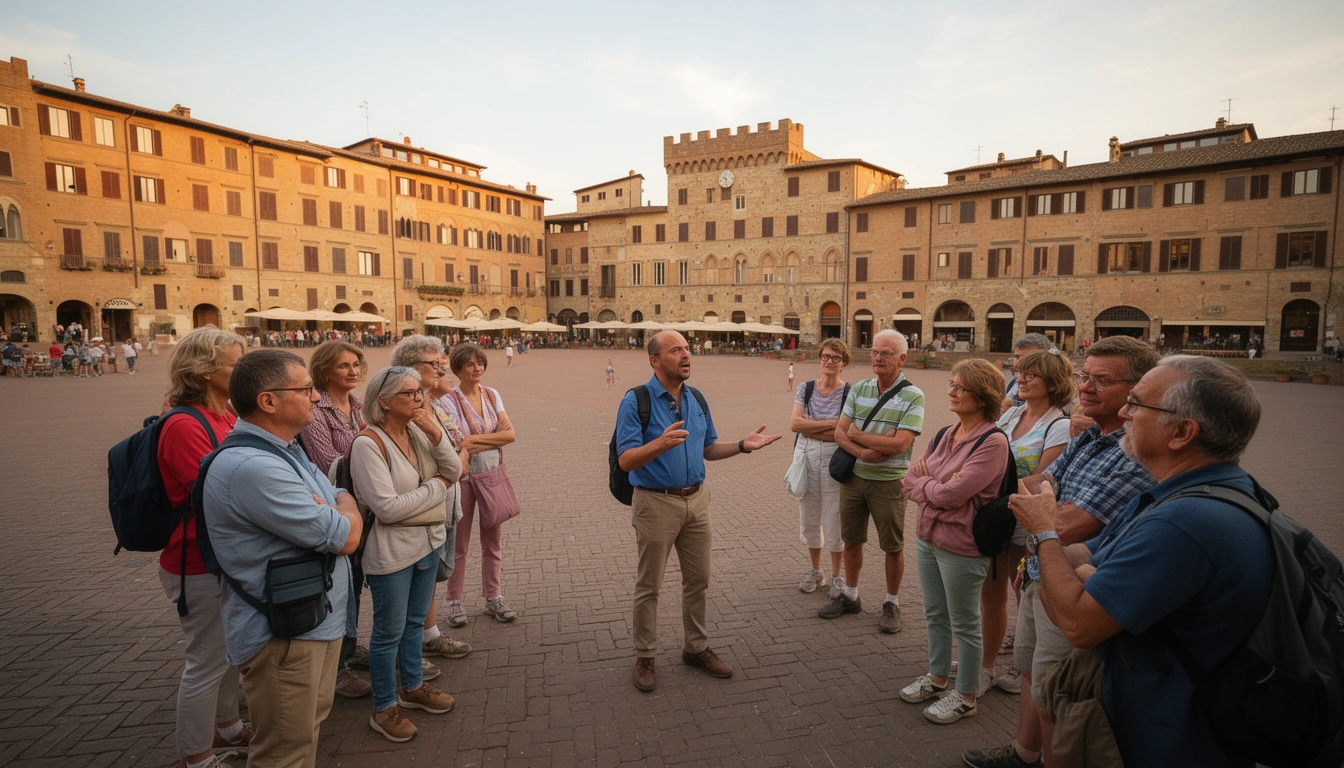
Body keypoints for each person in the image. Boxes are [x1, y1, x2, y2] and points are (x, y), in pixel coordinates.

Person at [1009, 356, 1271, 767]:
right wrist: (1075, 567)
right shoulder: (1187, 492)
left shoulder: (1186, 521)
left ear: (1183, 432)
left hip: (1167, 741)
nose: (1126, 412)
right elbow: (1089, 557)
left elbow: (1078, 621)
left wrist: (1043, 532)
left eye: (1138, 403)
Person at [962, 335, 1157, 768]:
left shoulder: (1133, 450)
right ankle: (1024, 753)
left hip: (1071, 579)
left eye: (1101, 381)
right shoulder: (1089, 437)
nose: (1085, 387)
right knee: (1033, 673)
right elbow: (1037, 487)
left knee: (1057, 693)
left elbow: (1070, 523)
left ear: (1139, 390)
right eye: (1085, 376)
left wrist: (1036, 519)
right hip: (1043, 566)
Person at [200, 349, 362, 768]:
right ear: (268, 401)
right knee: (282, 752)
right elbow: (344, 538)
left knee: (305, 732)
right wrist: (345, 505)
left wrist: (338, 502)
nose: (315, 397)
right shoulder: (253, 465)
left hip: (311, 622)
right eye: (306, 389)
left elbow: (335, 499)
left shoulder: (286, 449)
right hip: (285, 636)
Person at [616, 330, 781, 692]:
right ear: (655, 361)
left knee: (699, 580)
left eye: (687, 349)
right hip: (655, 501)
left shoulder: (697, 399)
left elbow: (707, 448)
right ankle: (645, 655)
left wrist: (742, 445)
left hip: (697, 500)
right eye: (675, 351)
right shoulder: (636, 400)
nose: (686, 355)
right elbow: (626, 459)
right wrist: (659, 443)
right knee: (649, 585)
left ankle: (696, 647)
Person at [156, 328, 250, 768]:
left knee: (231, 652)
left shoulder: (228, 417)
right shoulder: (182, 423)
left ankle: (228, 725)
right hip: (195, 560)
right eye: (236, 364)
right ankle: (196, 757)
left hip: (225, 557)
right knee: (206, 661)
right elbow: (214, 493)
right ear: (205, 371)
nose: (243, 371)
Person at [352, 366, 462, 743]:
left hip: (428, 543)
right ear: (384, 401)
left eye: (420, 392)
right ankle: (384, 706)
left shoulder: (418, 431)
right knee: (388, 632)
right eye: (410, 394)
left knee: (415, 622)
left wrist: (436, 434)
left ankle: (412, 686)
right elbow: (387, 508)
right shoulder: (369, 443)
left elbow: (455, 469)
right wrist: (438, 487)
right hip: (393, 551)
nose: (419, 398)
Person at [899, 360, 1009, 724]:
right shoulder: (946, 433)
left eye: (960, 387)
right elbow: (911, 478)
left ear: (983, 395)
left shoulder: (992, 442)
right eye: (952, 384)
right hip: (927, 536)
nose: (952, 391)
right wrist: (936, 486)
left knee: (964, 621)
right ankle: (937, 676)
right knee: (934, 613)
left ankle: (965, 695)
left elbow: (952, 493)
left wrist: (931, 486)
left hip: (961, 544)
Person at [982, 348, 1075, 697]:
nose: (1019, 378)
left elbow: (1043, 479)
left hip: (1026, 519)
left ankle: (1022, 667)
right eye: (1018, 372)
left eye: (1030, 374)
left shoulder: (1059, 424)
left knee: (1024, 593)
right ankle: (988, 659)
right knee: (992, 593)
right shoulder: (1011, 415)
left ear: (1052, 382)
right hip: (999, 516)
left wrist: (994, 490)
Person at [819, 329, 925, 633]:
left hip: (889, 482)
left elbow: (901, 444)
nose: (877, 357)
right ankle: (851, 595)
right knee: (851, 541)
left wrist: (857, 436)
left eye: (886, 353)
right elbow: (840, 432)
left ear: (902, 358)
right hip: (854, 478)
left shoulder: (913, 395)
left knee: (892, 545)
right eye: (875, 351)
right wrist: (865, 452)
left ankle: (892, 602)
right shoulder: (861, 388)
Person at [298, 340, 373, 699]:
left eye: (356, 363)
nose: (353, 370)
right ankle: (337, 669)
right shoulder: (318, 411)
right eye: (344, 365)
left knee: (355, 581)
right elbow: (327, 460)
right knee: (339, 585)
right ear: (325, 370)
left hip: (362, 504)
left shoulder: (358, 406)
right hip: (336, 507)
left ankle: (350, 645)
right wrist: (369, 454)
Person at [440, 343, 518, 625]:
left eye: (480, 363)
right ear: (458, 369)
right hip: (462, 478)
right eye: (471, 364)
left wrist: (474, 441)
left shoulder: (491, 394)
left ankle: (493, 596)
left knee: (492, 541)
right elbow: (455, 441)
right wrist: (482, 439)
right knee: (459, 543)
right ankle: (455, 601)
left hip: (490, 475)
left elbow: (509, 435)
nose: (477, 369)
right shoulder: (449, 400)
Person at [790, 338, 852, 597]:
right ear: (820, 358)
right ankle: (816, 570)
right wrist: (832, 424)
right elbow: (795, 424)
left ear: (844, 363)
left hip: (834, 460)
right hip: (806, 458)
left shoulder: (850, 392)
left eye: (835, 358)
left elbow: (846, 432)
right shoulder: (805, 389)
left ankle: (837, 575)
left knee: (834, 518)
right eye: (826, 356)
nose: (829, 361)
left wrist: (812, 426)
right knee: (809, 518)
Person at [1003, 334, 1053, 410]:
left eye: (1027, 357)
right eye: (1017, 357)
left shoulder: (1053, 385)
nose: (1020, 362)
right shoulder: (1014, 382)